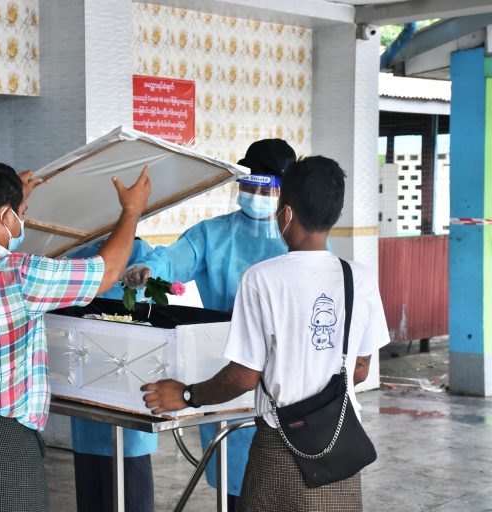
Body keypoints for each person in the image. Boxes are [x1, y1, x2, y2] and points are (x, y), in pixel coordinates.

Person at [141, 156, 390, 511]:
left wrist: (187, 394)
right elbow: (361, 367)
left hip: (281, 447)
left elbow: (243, 376)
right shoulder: (360, 278)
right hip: (340, 445)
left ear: (285, 213)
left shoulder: (261, 279)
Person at [0, 163, 151, 512]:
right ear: (4, 215)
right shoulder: (19, 274)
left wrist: (14, 202)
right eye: (22, 214)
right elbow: (107, 271)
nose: (23, 222)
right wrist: (131, 211)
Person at [121, 138, 296, 509]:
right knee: (235, 486)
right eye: (247, 184)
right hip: (227, 372)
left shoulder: (294, 240)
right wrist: (152, 270)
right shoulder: (213, 235)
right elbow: (175, 258)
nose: (253, 193)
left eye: (262, 186)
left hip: (284, 377)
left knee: (280, 484)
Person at [68, 237, 157, 512]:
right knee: (92, 499)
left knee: (130, 497)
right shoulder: (77, 254)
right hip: (85, 398)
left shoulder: (142, 253)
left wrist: (147, 273)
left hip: (129, 399)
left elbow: (162, 273)